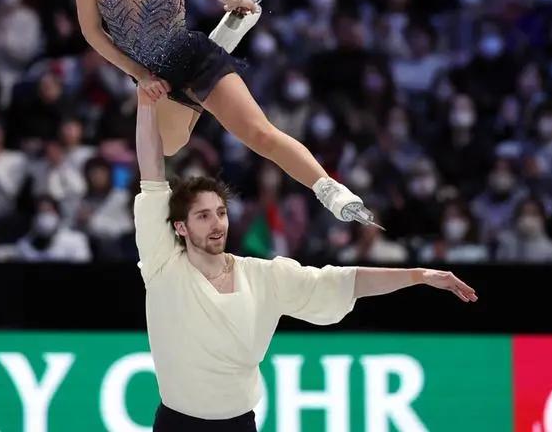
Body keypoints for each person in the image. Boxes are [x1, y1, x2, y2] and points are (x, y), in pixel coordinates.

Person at [132, 88, 478, 431]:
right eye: (203, 216)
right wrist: (146, 101)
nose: (217, 223)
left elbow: (344, 282)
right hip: (176, 424)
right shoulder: (163, 263)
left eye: (220, 213)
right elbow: (151, 173)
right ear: (180, 227)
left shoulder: (264, 276)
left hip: (239, 425)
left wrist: (418, 275)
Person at [74, 0, 374, 224]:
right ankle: (223, 39)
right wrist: (140, 75)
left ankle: (330, 189)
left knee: (258, 133)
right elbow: (92, 31)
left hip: (192, 56)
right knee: (170, 145)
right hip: (151, 74)